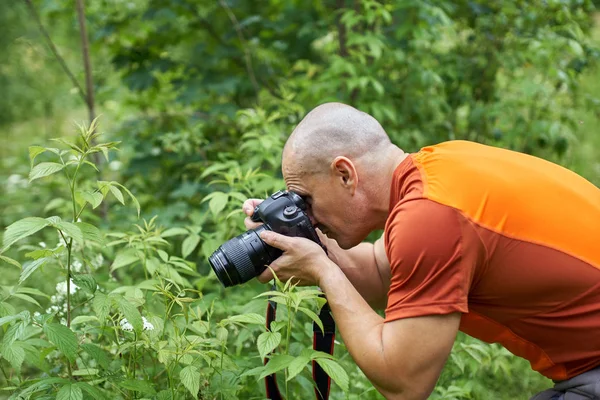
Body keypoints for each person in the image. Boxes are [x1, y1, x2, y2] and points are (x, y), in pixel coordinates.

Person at [241, 103, 600, 400]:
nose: (310, 218)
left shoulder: (430, 218)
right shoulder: (438, 168)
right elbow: (382, 272)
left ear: (345, 174)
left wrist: (324, 272)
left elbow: (404, 383)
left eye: (306, 201)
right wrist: (302, 242)